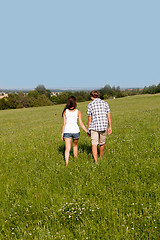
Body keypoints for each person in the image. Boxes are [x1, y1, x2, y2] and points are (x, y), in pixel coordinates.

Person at [61, 96, 88, 166]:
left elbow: (64, 124)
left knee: (67, 148)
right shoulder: (78, 112)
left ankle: (66, 163)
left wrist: (62, 134)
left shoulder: (65, 112)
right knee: (75, 146)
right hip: (76, 131)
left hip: (67, 131)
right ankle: (75, 160)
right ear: (75, 102)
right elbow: (81, 124)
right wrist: (87, 131)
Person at [87, 90, 112, 163]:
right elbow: (109, 116)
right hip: (103, 126)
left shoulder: (90, 105)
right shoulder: (105, 103)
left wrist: (88, 130)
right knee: (102, 143)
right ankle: (100, 157)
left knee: (94, 144)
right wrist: (110, 127)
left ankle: (96, 161)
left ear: (92, 97)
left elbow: (89, 119)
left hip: (94, 127)